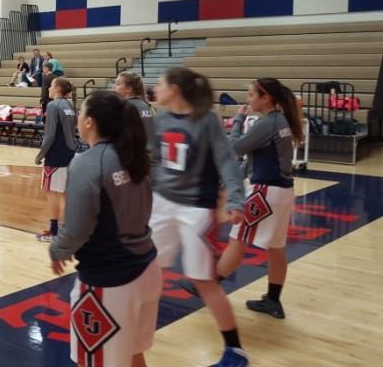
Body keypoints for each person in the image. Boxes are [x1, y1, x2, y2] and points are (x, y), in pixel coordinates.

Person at [50, 90, 160, 367]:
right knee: (134, 355)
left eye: (81, 111)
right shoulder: (134, 154)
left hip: (110, 281)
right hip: (147, 268)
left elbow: (76, 229)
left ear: (90, 122)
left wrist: (57, 249)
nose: (77, 117)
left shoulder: (88, 162)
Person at [149, 67, 248, 367]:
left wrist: (234, 199)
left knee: (204, 280)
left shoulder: (207, 121)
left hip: (196, 208)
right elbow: (153, 159)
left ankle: (236, 351)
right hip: (161, 203)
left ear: (175, 89)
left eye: (160, 84)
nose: (156, 89)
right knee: (147, 269)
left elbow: (227, 162)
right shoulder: (161, 120)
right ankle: (135, 326)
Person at [216, 78, 303, 319]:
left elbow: (234, 148)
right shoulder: (282, 120)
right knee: (276, 247)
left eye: (252, 95)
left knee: (238, 239)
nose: (248, 99)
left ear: (265, 98)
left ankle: (208, 287)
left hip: (266, 190)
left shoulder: (268, 123)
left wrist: (238, 121)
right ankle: (273, 301)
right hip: (283, 191)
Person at [35, 77, 77, 242]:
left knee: (51, 192)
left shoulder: (53, 105)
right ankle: (67, 231)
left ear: (58, 88)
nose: (49, 89)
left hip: (55, 154)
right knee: (65, 194)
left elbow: (50, 134)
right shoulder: (69, 105)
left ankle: (54, 232)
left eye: (51, 86)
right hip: (69, 152)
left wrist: (41, 154)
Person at [114, 71, 155, 152]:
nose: (114, 87)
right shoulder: (147, 105)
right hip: (150, 153)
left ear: (128, 89)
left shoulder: (124, 107)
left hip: (134, 155)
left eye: (118, 84)